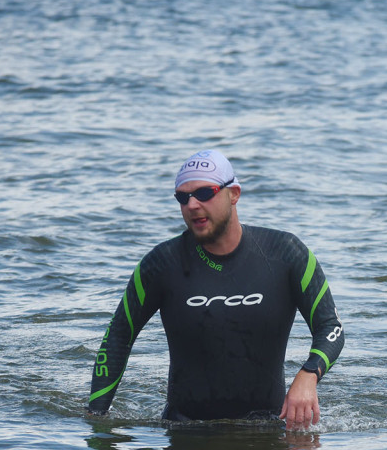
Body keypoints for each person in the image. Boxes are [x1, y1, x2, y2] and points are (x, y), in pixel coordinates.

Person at [86, 149, 344, 429]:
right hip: (184, 430)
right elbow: (118, 336)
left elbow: (331, 328)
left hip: (267, 428)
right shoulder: (161, 264)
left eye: (205, 193)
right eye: (183, 198)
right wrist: (96, 425)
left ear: (234, 193)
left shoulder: (286, 255)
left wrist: (309, 375)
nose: (193, 205)